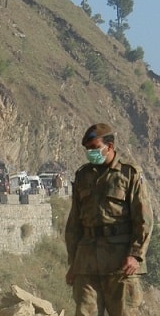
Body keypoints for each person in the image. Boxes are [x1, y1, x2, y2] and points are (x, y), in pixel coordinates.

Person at [65, 123, 152, 316]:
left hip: (120, 264)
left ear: (110, 146)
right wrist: (74, 263)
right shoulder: (83, 176)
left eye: (95, 148)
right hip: (87, 262)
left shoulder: (129, 174)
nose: (90, 153)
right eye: (88, 149)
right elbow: (74, 224)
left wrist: (136, 254)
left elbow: (144, 218)